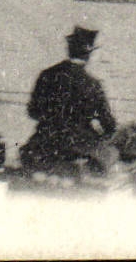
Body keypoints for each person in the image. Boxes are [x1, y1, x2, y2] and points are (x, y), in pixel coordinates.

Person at [21, 25, 118, 176]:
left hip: (45, 142)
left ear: (69, 49)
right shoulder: (93, 84)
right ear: (89, 54)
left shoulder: (47, 75)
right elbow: (109, 125)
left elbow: (33, 111)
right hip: (80, 146)